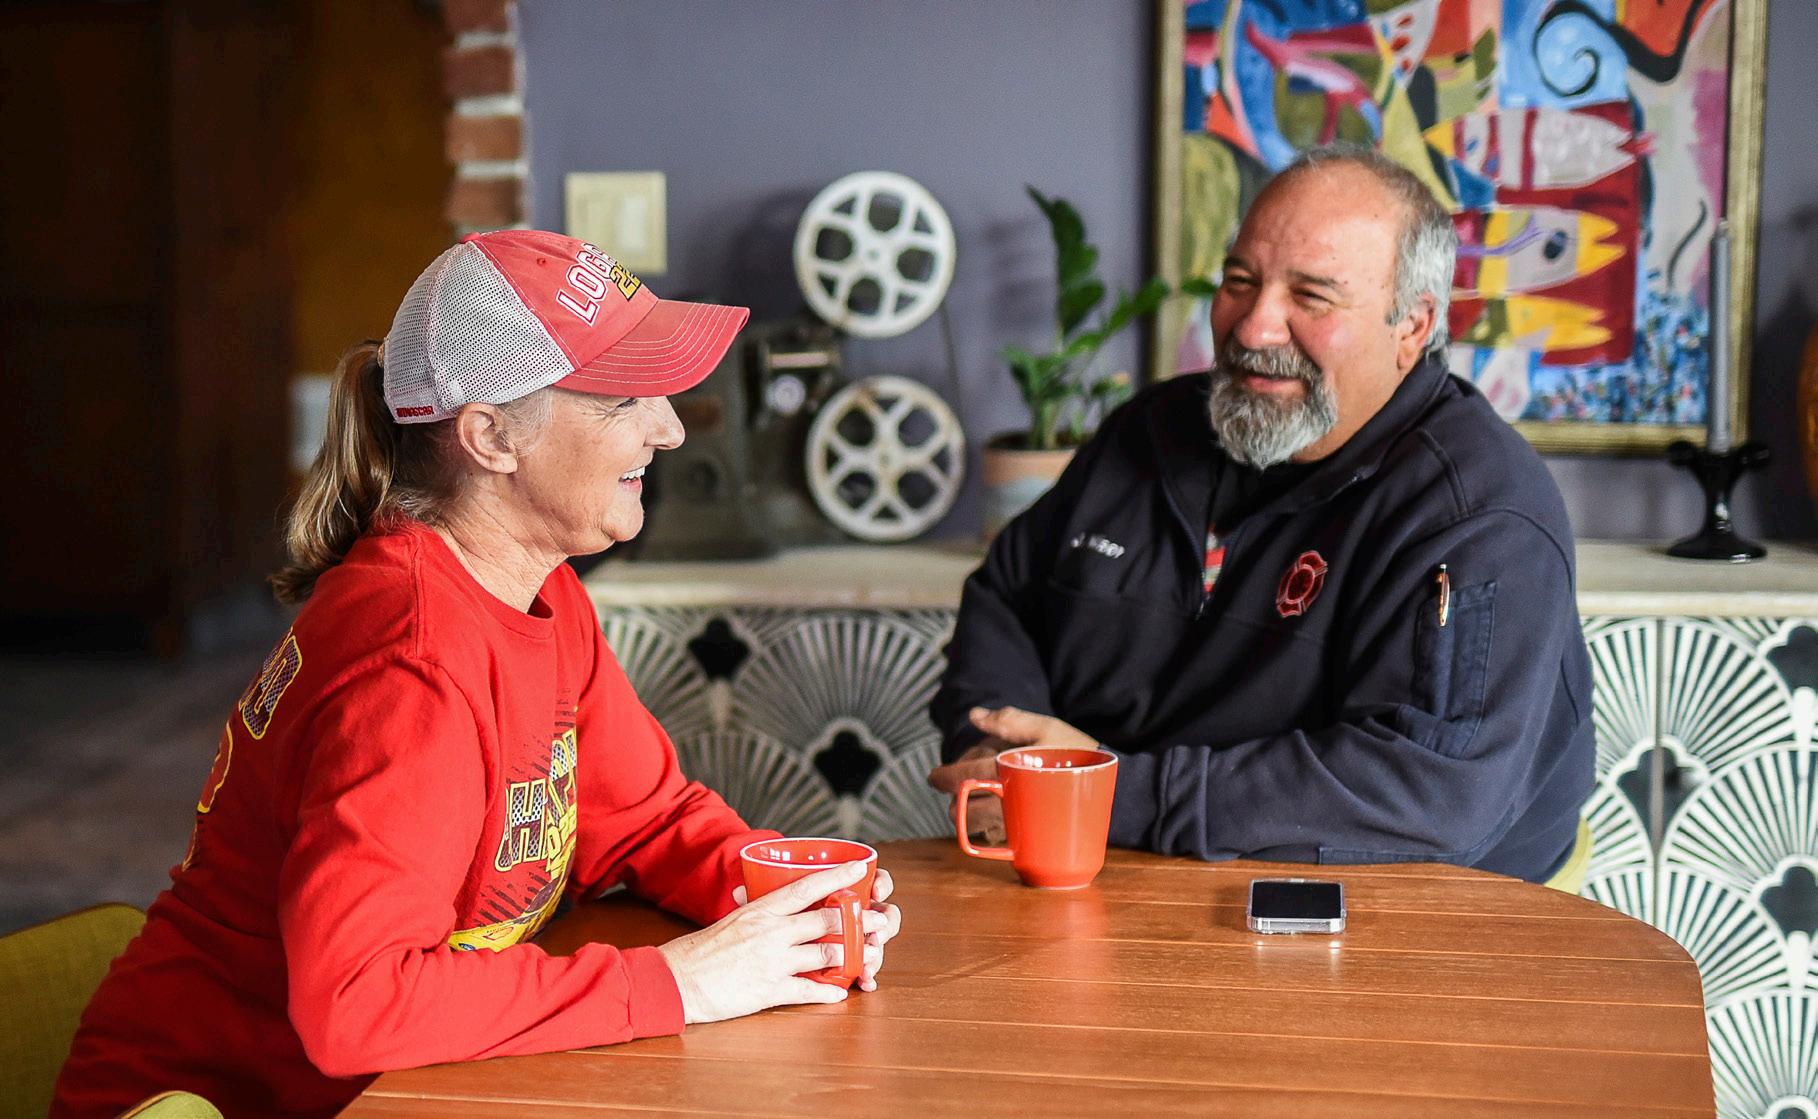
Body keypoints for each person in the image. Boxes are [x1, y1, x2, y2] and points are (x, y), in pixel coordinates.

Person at [54, 231, 902, 1119]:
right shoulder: (412, 667)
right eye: (623, 397)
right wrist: (680, 982)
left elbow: (643, 818)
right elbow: (358, 1002)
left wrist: (784, 902)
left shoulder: (542, 590)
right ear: (491, 436)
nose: (671, 427)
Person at [928, 144, 1594, 886]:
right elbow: (1006, 598)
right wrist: (1003, 751)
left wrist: (1104, 792)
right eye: (1239, 282)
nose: (1253, 328)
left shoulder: (1481, 511)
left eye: (1311, 296)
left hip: (1387, 910)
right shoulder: (1148, 432)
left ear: (1412, 326)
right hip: (1097, 868)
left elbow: (1431, 792)